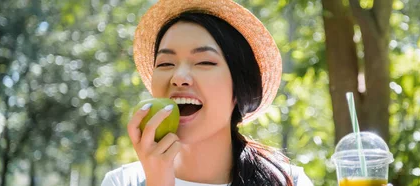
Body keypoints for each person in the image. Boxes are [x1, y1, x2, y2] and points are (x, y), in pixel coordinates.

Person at [101, 0, 313, 185]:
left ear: (238, 87)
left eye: (204, 62)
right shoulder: (122, 182)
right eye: (166, 63)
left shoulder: (287, 181)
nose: (178, 77)